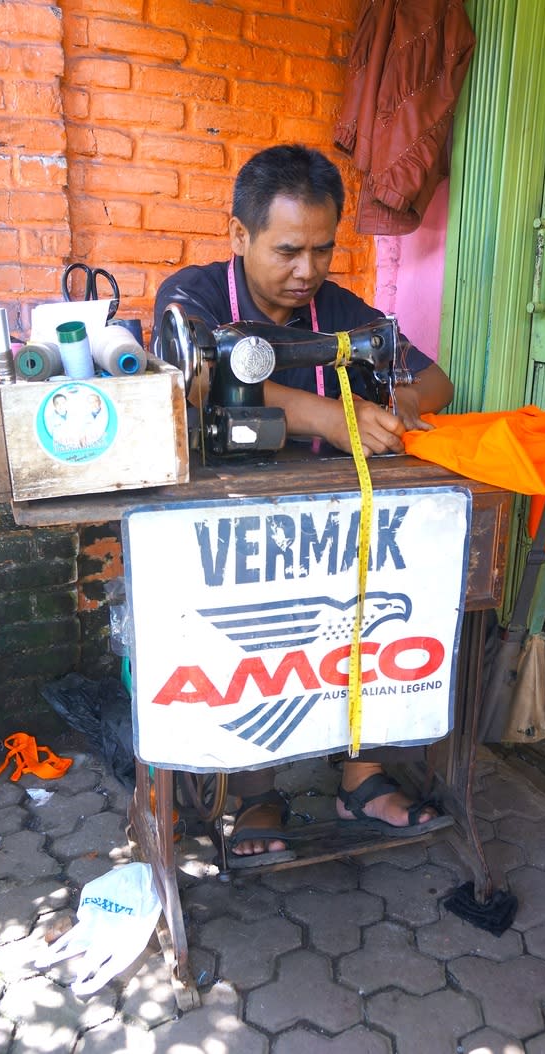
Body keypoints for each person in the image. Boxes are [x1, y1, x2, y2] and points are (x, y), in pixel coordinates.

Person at [152, 144, 455, 866]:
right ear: (239, 236)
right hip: (228, 530)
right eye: (288, 250)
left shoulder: (338, 310)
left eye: (323, 250)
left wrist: (393, 404)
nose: (306, 271)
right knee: (252, 645)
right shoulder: (191, 299)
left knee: (372, 623)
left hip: (329, 525)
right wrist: (326, 414)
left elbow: (435, 381)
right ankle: (256, 789)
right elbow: (197, 383)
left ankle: (361, 776)